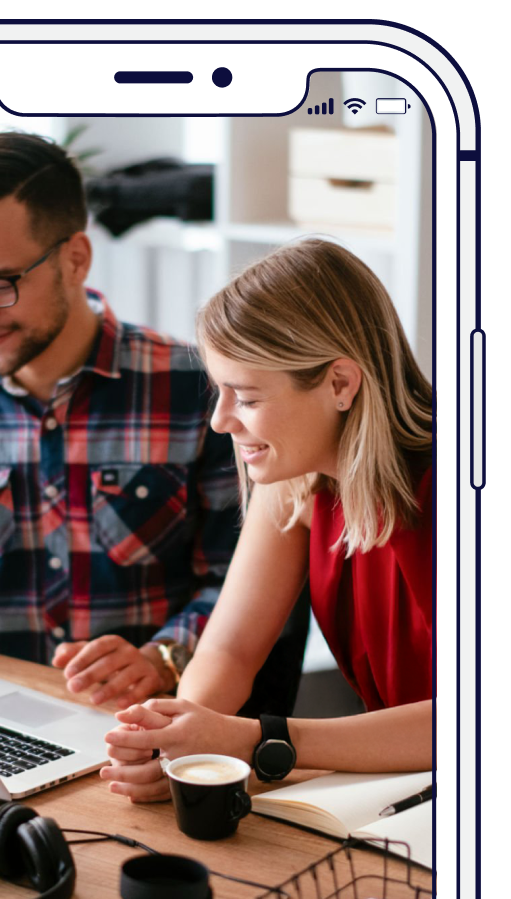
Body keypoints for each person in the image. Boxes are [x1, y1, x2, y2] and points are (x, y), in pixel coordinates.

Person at [0, 130, 309, 709]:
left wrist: (163, 656)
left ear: (75, 258)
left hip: (157, 715)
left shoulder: (199, 388)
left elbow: (252, 583)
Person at [102, 238, 433, 798]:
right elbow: (229, 650)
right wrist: (172, 741)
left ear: (340, 384)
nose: (219, 421)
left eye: (247, 398)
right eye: (219, 391)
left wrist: (260, 740)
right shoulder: (295, 480)